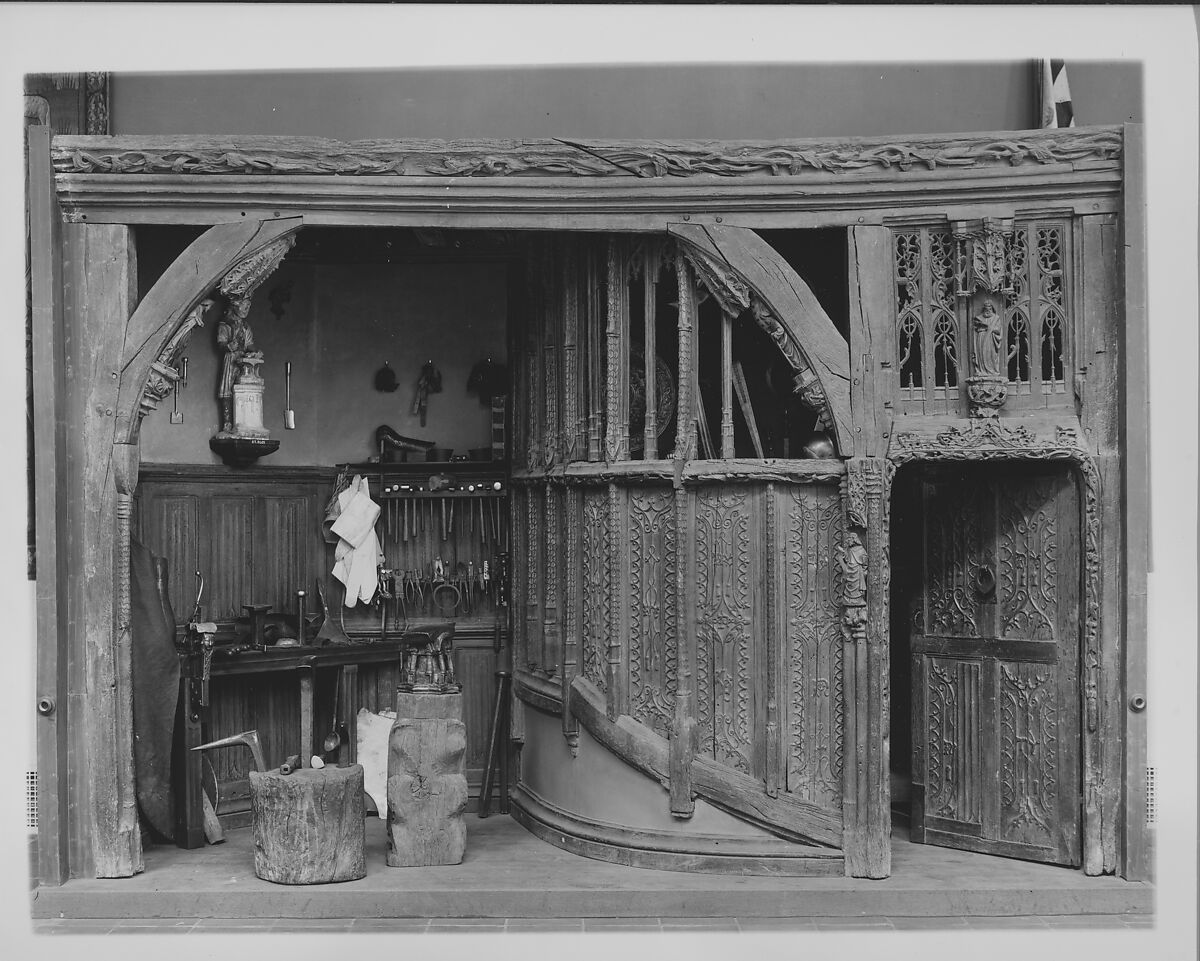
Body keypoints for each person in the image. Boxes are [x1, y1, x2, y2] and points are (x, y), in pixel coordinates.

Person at [216, 297, 260, 433]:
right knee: (227, 390)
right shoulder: (226, 324)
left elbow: (249, 344)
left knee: (244, 389)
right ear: (235, 305)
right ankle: (227, 424)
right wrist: (229, 346)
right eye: (244, 306)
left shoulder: (245, 326)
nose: (247, 309)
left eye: (249, 306)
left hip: (243, 360)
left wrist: (256, 352)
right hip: (231, 359)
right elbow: (221, 343)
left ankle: (243, 423)